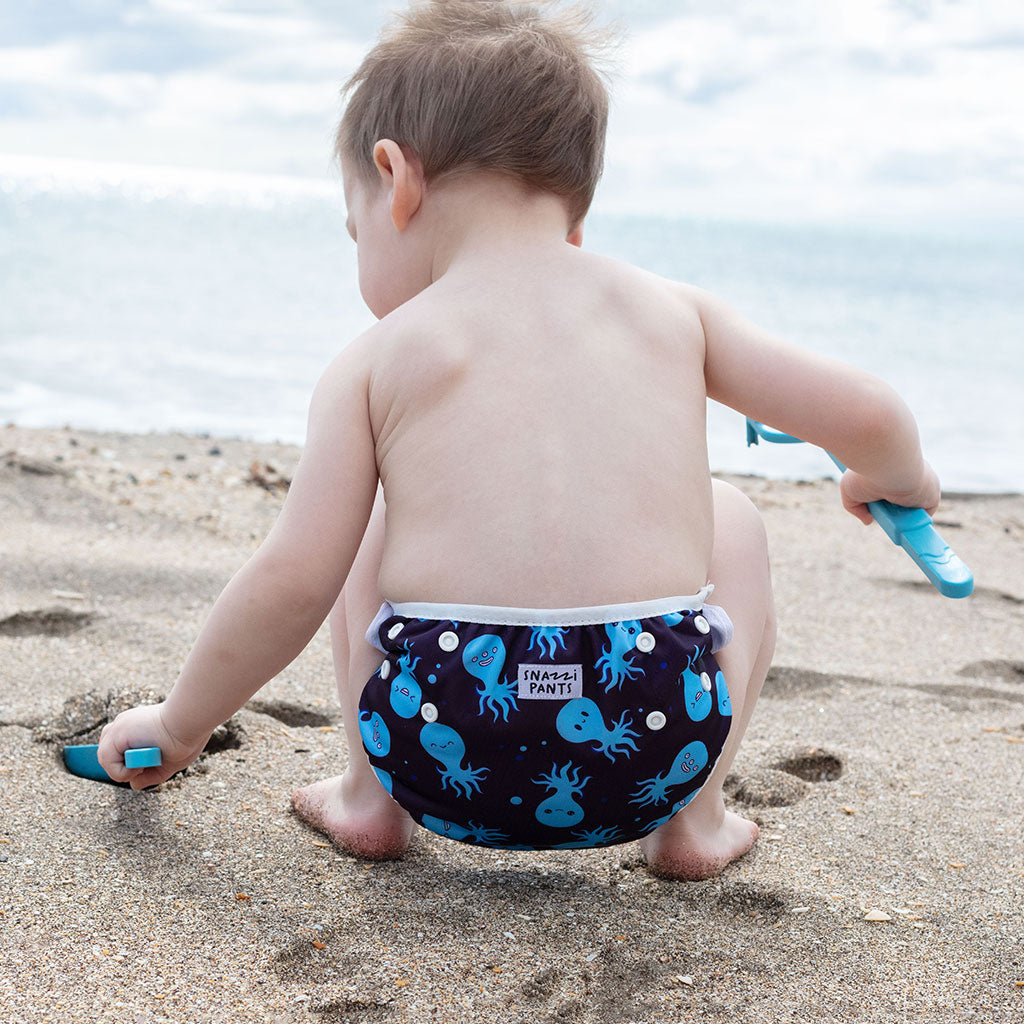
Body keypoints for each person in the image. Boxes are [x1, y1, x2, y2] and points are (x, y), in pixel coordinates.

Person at [98, 0, 940, 879]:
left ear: (395, 178)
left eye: (355, 230)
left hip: (436, 746)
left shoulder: (376, 359)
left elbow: (292, 580)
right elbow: (870, 415)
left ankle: (368, 799)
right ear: (574, 218)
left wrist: (180, 725)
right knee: (730, 515)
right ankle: (694, 823)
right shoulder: (674, 314)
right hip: (654, 746)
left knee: (369, 518)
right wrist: (894, 479)